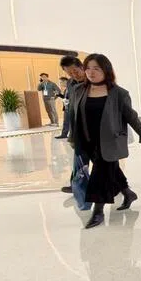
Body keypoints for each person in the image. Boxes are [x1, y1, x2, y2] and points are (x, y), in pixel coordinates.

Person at [68, 53, 141, 229]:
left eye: (96, 68)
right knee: (111, 168)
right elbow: (73, 115)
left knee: (100, 174)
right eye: (88, 68)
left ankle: (98, 212)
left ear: (106, 70)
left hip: (109, 141)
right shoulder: (78, 90)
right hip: (87, 140)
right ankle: (128, 193)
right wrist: (72, 137)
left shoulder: (119, 93)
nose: (91, 72)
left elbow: (131, 116)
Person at [58, 57, 85, 191]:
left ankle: (121, 186)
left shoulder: (94, 80)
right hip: (79, 126)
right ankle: (76, 185)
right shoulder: (71, 83)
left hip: (96, 126)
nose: (74, 75)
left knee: (105, 162)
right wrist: (72, 134)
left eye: (76, 71)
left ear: (82, 67)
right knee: (79, 158)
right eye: (69, 73)